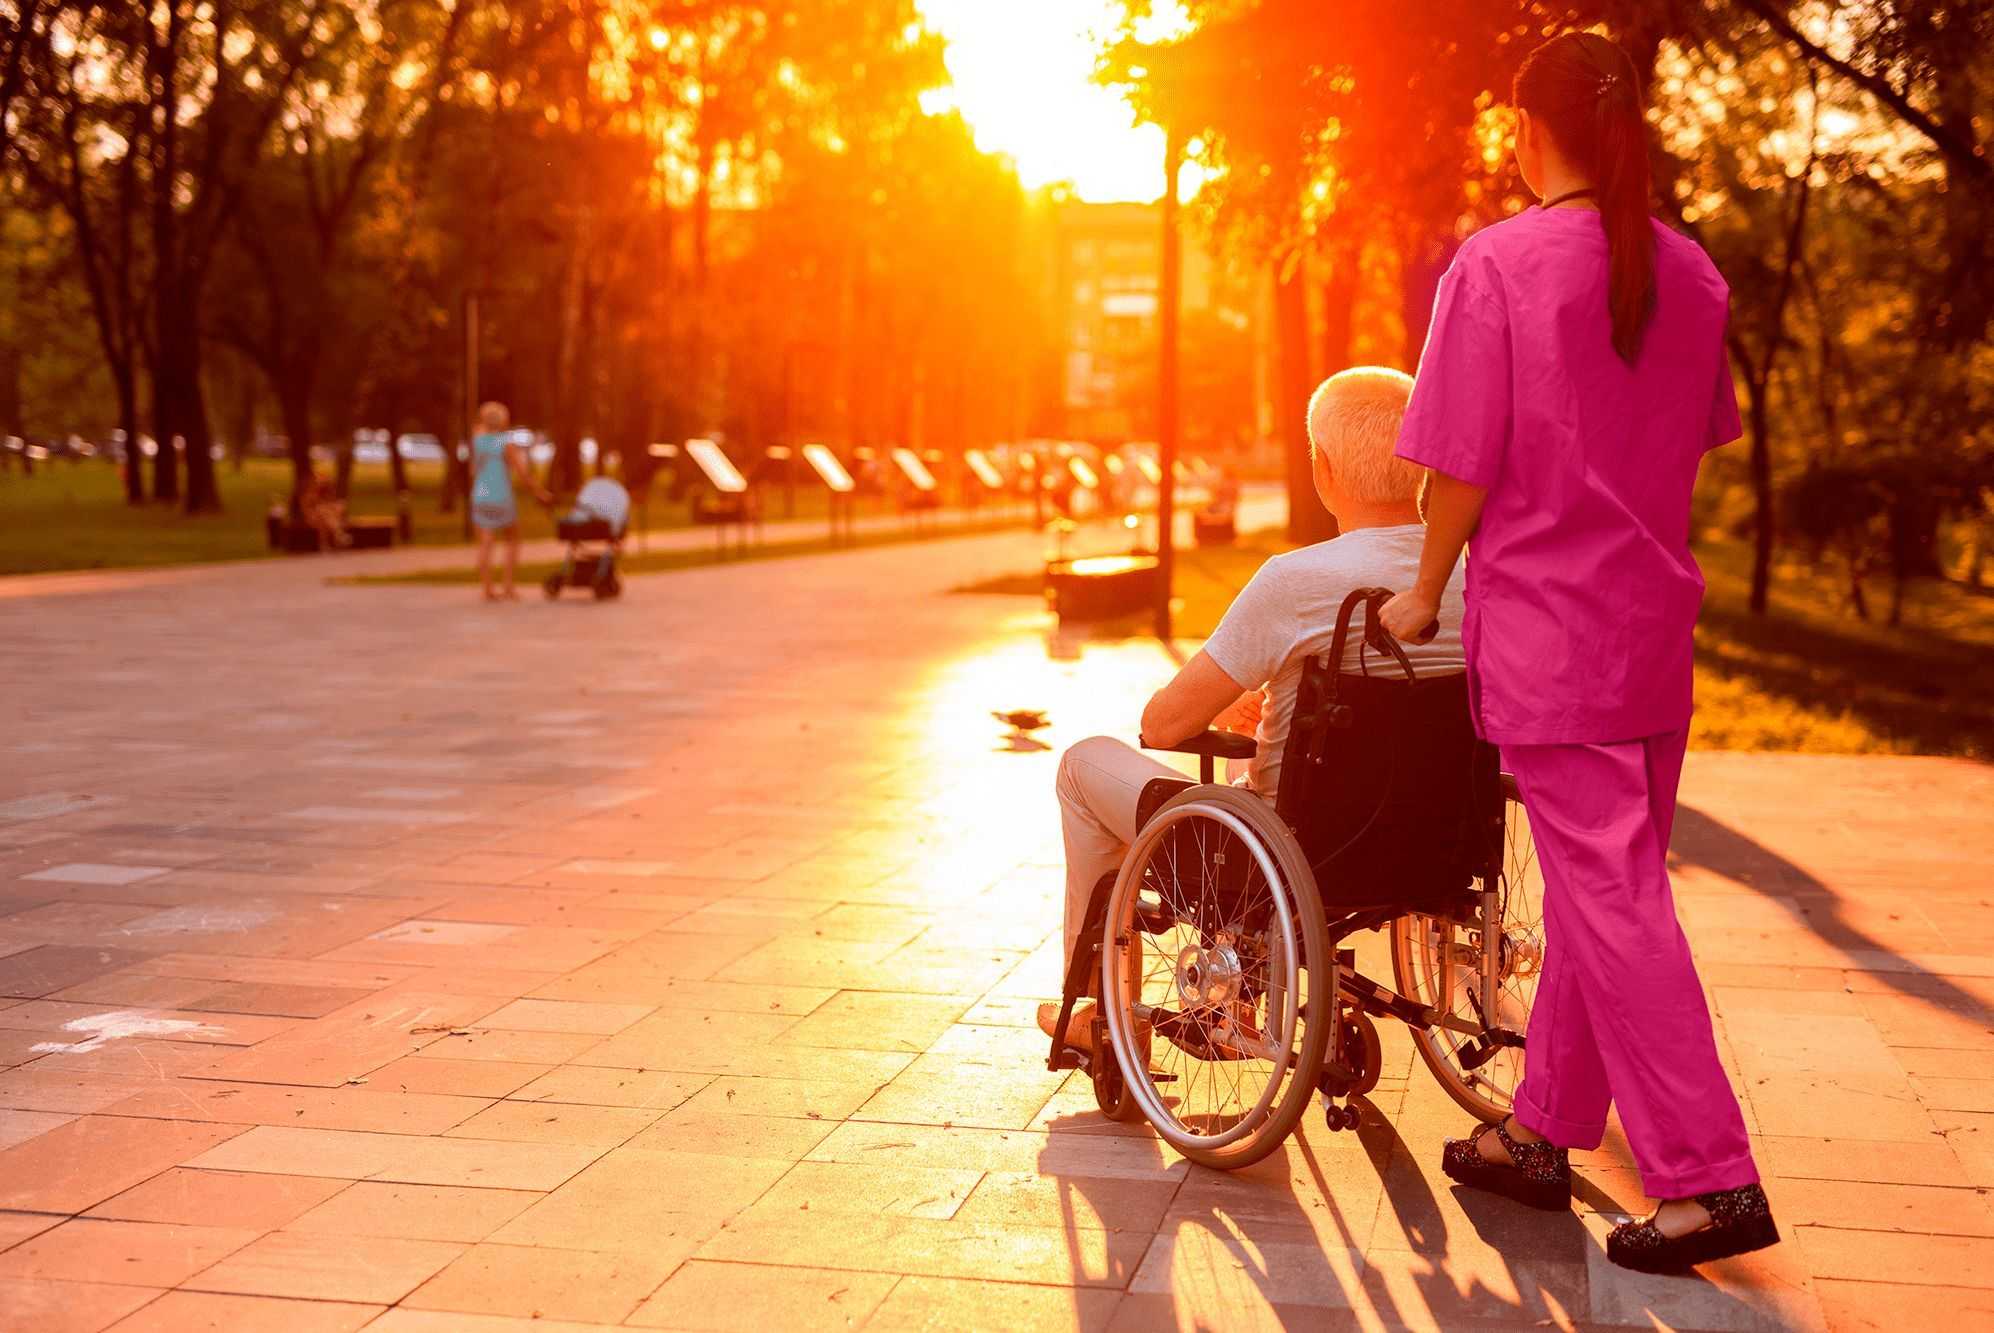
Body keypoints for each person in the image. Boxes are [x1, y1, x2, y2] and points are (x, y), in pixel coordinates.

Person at [1378, 31, 1777, 1273]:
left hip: (1554, 640)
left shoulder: (1494, 266)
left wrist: (1420, 591)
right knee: (1610, 894)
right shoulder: (1689, 274)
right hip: (1651, 633)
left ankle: (1706, 1179)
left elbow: (1457, 464)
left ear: (1523, 129)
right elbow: (1688, 438)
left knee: (1612, 902)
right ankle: (1542, 1134)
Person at [1040, 366, 1467, 1055]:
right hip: (1435, 843)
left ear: (1323, 469)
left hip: (1281, 847)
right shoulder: (1471, 574)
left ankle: (1102, 1013)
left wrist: (1239, 694)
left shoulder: (1296, 581)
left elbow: (1165, 724)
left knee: (1083, 764)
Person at [470, 401, 549, 601]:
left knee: (485, 543)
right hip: (500, 495)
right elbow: (522, 473)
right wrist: (539, 492)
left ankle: (487, 588)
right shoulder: (505, 442)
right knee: (513, 539)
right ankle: (507, 586)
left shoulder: (477, 441)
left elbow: (473, 468)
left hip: (480, 494)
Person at [297, 467, 349, 550]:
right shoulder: (310, 493)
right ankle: (339, 535)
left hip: (325, 518)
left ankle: (331, 541)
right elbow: (307, 509)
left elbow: (331, 503)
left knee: (327, 516)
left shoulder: (327, 492)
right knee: (323, 512)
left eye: (323, 480)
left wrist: (337, 506)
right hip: (313, 517)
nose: (321, 482)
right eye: (320, 480)